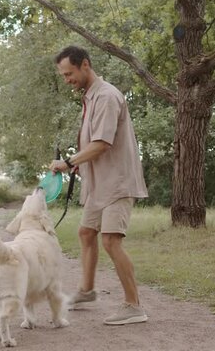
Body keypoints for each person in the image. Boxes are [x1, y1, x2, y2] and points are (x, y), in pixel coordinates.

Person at [50, 45, 149, 325]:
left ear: (85, 65)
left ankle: (134, 306)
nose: (67, 79)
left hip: (117, 182)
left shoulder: (106, 96)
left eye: (69, 73)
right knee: (85, 232)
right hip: (99, 183)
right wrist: (78, 163)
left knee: (111, 241)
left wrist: (68, 162)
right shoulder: (90, 97)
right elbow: (93, 143)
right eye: (64, 75)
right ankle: (87, 291)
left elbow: (102, 144)